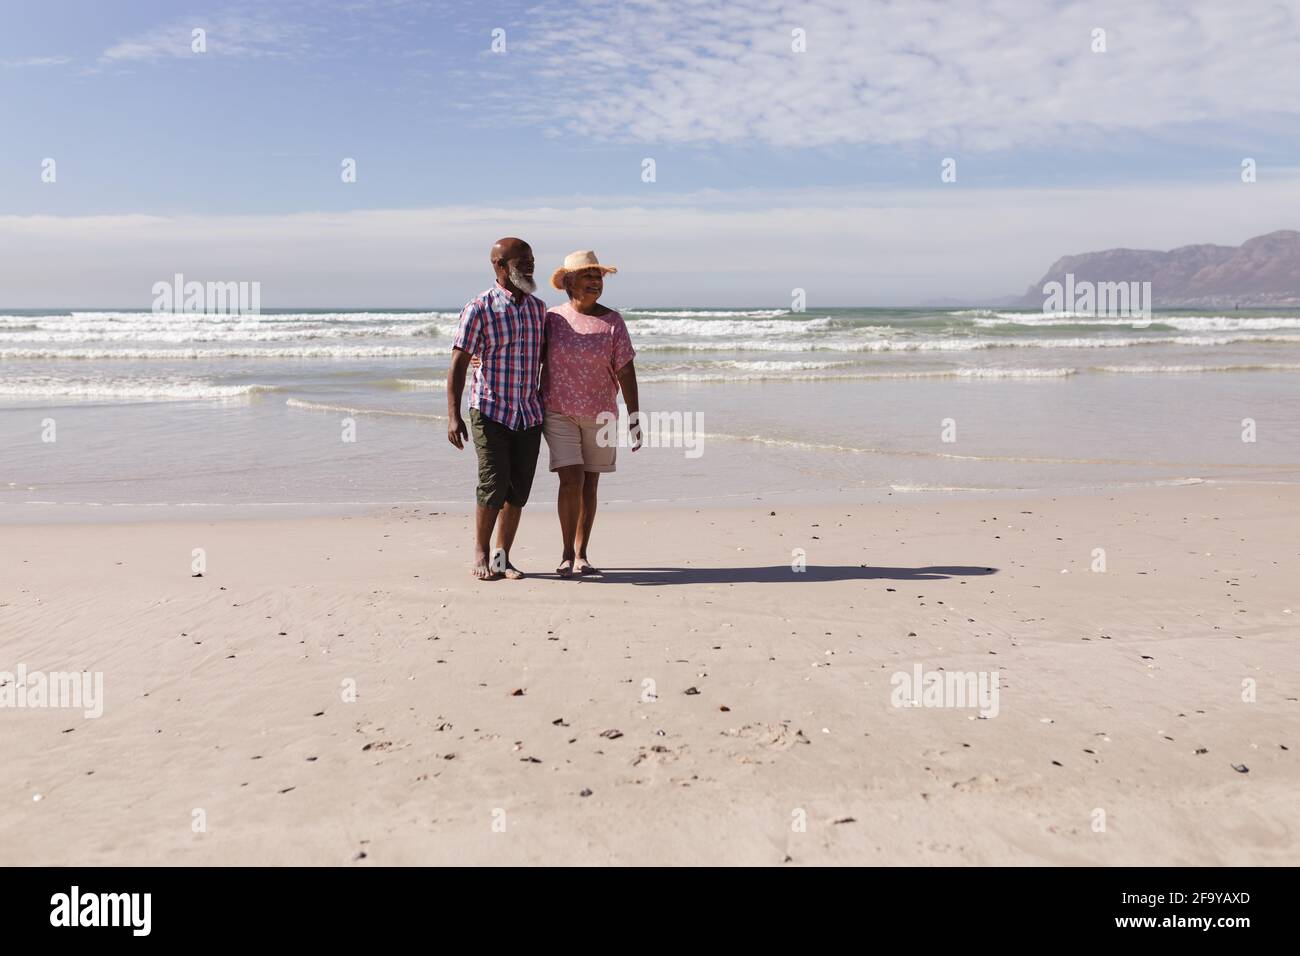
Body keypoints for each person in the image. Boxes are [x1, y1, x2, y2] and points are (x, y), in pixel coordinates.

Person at [446, 237, 546, 580]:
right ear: (499, 266)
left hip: (529, 413)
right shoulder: (480, 307)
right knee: (493, 482)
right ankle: (481, 552)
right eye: (522, 261)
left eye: (531, 259)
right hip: (490, 409)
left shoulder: (538, 308)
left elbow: (547, 358)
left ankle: (503, 559)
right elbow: (459, 362)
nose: (530, 265)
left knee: (518, 488)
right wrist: (453, 415)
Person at [541, 250, 640, 577]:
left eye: (598, 277)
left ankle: (583, 553)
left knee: (589, 485)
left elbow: (626, 371)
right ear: (569, 282)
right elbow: (526, 353)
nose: (596, 282)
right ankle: (566, 553)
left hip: (602, 414)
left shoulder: (613, 322)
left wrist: (634, 417)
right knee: (570, 479)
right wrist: (480, 360)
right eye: (588, 276)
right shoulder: (552, 319)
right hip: (559, 411)